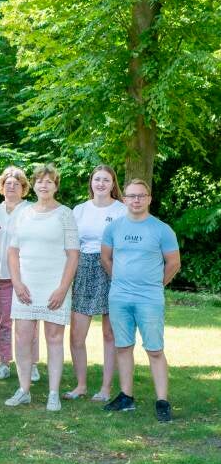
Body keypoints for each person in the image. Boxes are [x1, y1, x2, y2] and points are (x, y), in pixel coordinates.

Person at [101, 179, 180, 422]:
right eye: (131, 196)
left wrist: (156, 285)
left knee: (154, 349)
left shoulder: (162, 229)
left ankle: (162, 401)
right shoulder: (113, 228)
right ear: (124, 199)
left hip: (149, 299)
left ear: (149, 199)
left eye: (141, 196)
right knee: (123, 347)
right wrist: (120, 281)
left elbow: (174, 263)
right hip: (119, 297)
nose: (136, 200)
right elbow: (105, 258)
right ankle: (126, 397)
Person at [5, 164, 78, 412]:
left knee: (54, 339)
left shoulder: (65, 214)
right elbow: (12, 252)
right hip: (26, 285)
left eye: (49, 181)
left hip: (55, 285)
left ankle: (53, 393)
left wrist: (63, 288)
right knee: (22, 338)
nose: (43, 185)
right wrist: (17, 282)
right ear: (34, 185)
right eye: (39, 181)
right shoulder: (23, 214)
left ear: (56, 186)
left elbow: (73, 255)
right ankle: (24, 390)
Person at [63, 165, 127, 402]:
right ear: (91, 182)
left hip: (112, 268)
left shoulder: (121, 210)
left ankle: (106, 388)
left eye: (106, 180)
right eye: (97, 179)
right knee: (76, 336)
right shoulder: (79, 210)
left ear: (113, 184)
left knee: (110, 334)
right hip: (83, 269)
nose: (101, 183)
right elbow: (69, 244)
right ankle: (81, 385)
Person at [0, 167, 40, 381]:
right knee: (2, 322)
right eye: (7, 183)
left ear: (23, 188)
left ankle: (32, 364)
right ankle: (3, 362)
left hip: (25, 276)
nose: (11, 187)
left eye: (16, 184)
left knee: (28, 323)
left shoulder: (31, 210)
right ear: (1, 187)